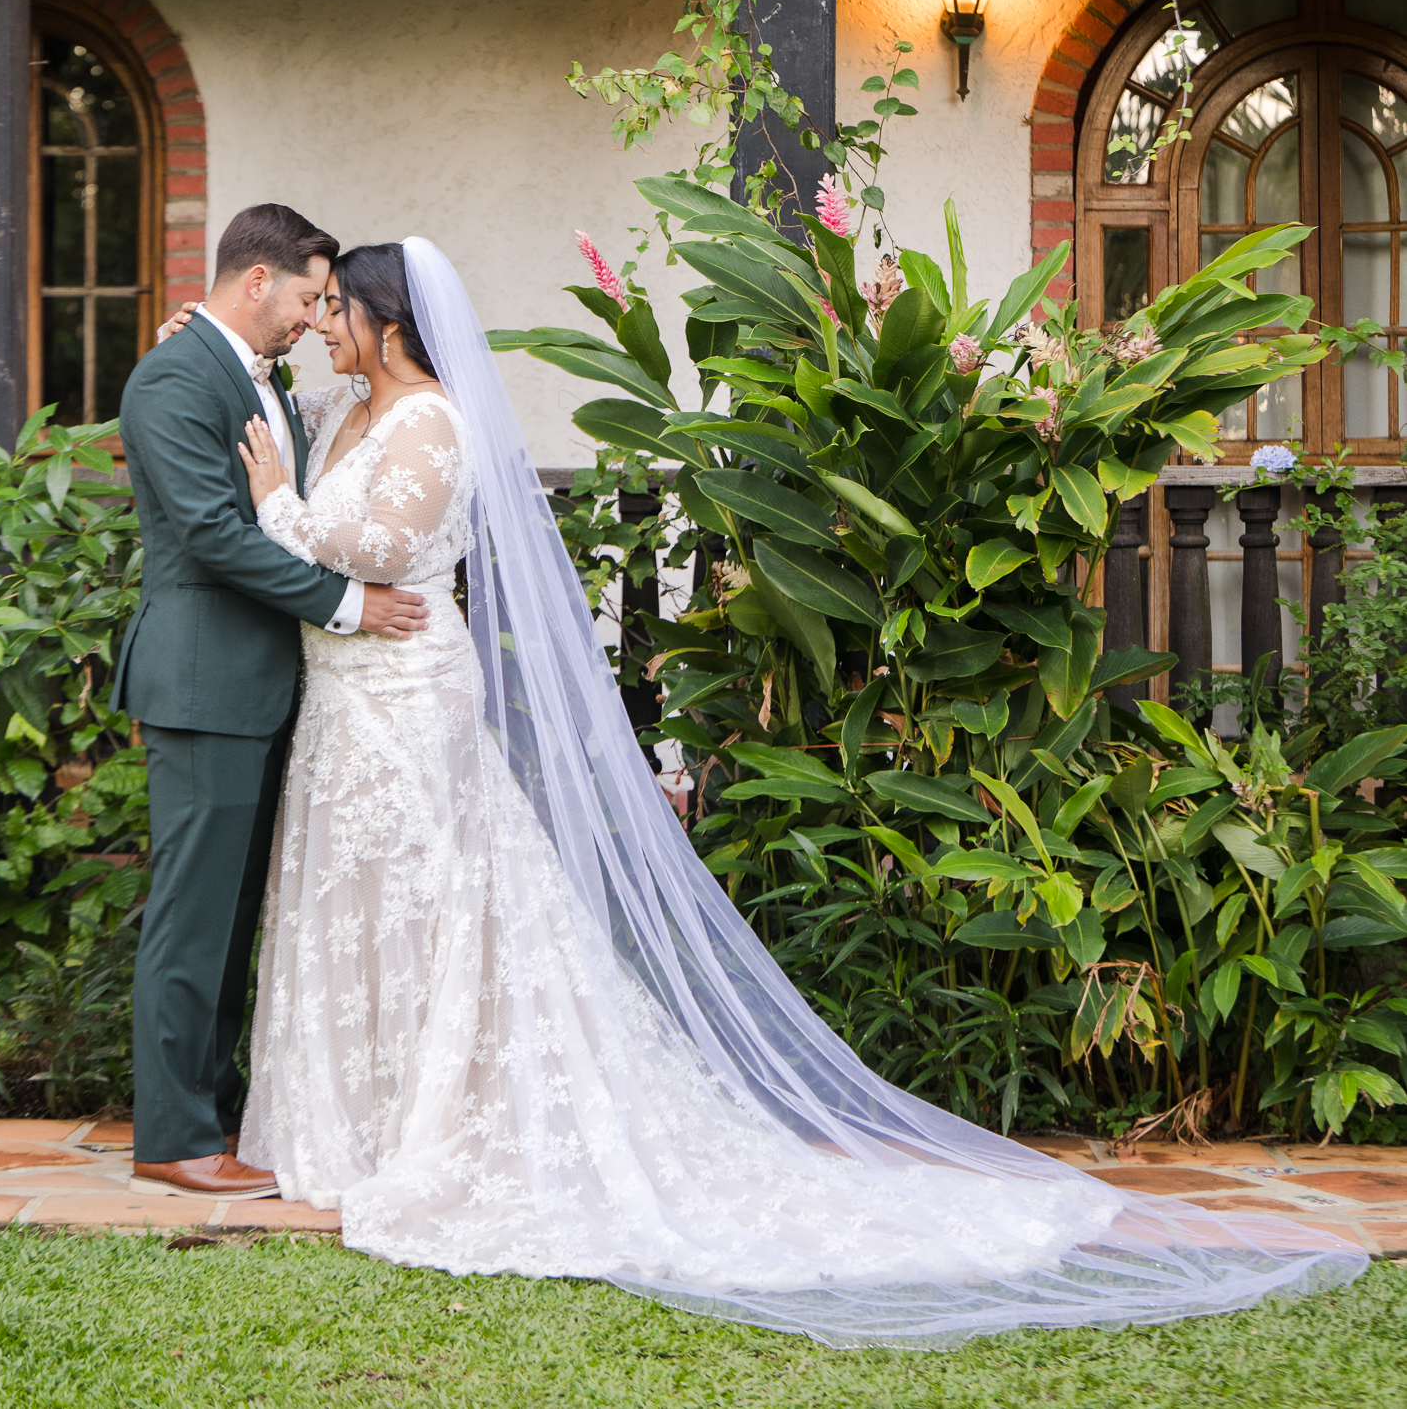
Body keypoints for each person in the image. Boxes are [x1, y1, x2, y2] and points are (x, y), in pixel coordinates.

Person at [157, 237, 1366, 1345]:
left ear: (388, 321)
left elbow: (364, 545)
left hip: (405, 702)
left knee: (429, 911)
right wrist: (195, 349)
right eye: (310, 308)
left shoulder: (431, 425)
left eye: (337, 310)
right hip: (338, 706)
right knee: (348, 909)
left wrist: (274, 503)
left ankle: (424, 1132)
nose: (320, 324)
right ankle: (345, 1127)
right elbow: (270, 405)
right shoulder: (343, 406)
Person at [116, 205, 428, 1199]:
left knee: (233, 913)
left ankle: (211, 1112)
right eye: (304, 297)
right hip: (207, 684)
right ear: (256, 281)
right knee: (192, 914)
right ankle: (173, 1136)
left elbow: (288, 505)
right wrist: (350, 605)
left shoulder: (259, 378)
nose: (310, 318)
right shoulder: (172, 377)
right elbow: (214, 534)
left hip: (261, 687)